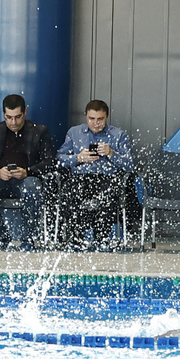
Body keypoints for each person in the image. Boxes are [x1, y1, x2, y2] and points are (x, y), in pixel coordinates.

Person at [0, 94, 57, 250]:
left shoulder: (39, 131)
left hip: (28, 178)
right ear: (3, 114)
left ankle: (28, 237)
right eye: (9, 117)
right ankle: (1, 235)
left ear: (25, 112)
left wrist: (28, 172)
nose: (13, 122)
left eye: (18, 117)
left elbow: (50, 161)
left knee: (33, 187)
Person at [56, 99, 135, 249]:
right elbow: (59, 160)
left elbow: (130, 166)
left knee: (110, 193)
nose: (96, 123)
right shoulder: (74, 132)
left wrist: (111, 153)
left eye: (100, 119)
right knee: (70, 192)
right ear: (85, 116)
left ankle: (102, 239)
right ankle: (75, 239)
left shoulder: (119, 135)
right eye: (91, 119)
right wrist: (78, 158)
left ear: (107, 117)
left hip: (107, 178)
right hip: (80, 177)